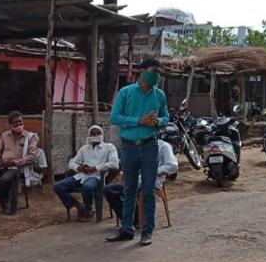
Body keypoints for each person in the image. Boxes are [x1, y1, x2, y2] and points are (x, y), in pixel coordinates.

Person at [108, 57, 168, 246]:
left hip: (150, 145)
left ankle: (147, 230)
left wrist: (158, 121)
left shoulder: (160, 95)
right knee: (129, 189)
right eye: (153, 70)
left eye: (158, 71)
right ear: (142, 71)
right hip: (129, 146)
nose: (156, 74)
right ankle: (126, 229)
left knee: (148, 190)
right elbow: (115, 117)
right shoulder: (125, 92)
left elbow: (166, 116)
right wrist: (138, 121)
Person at [103, 138, 179, 224]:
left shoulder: (164, 146)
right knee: (109, 189)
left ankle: (134, 220)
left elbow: (173, 166)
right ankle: (133, 219)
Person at [54, 125, 120, 222]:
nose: (96, 135)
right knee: (58, 186)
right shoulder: (84, 148)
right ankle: (79, 206)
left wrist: (96, 168)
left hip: (97, 177)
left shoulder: (109, 147)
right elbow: (71, 163)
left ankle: (88, 210)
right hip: (81, 175)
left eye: (98, 133)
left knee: (87, 187)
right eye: (93, 134)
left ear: (102, 134)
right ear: (89, 136)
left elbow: (115, 164)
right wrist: (80, 168)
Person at [0, 111, 37, 215]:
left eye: (21, 122)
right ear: (10, 125)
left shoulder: (30, 137)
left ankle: (5, 201)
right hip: (2, 165)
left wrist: (15, 162)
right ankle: (3, 200)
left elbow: (32, 157)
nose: (19, 125)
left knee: (4, 179)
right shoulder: (5, 135)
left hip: (16, 168)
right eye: (16, 123)